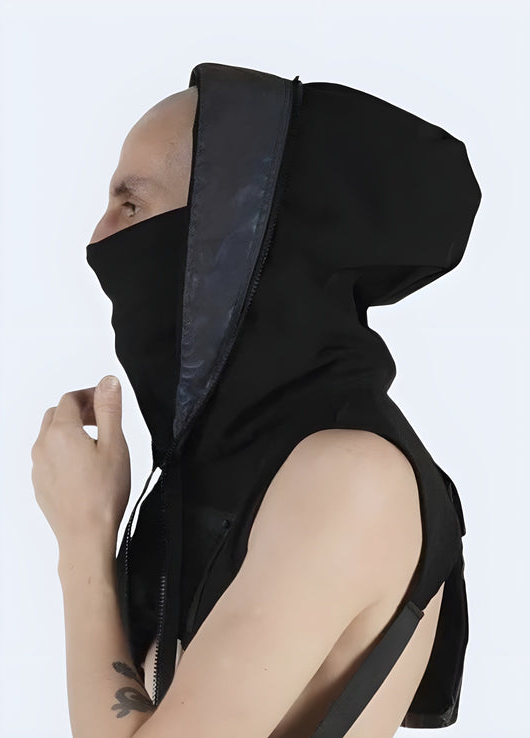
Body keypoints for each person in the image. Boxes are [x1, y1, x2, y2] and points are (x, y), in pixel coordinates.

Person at [84, 62, 480, 737]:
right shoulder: (235, 473)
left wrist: (83, 539)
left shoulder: (349, 477)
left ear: (239, 243)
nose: (98, 241)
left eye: (132, 205)